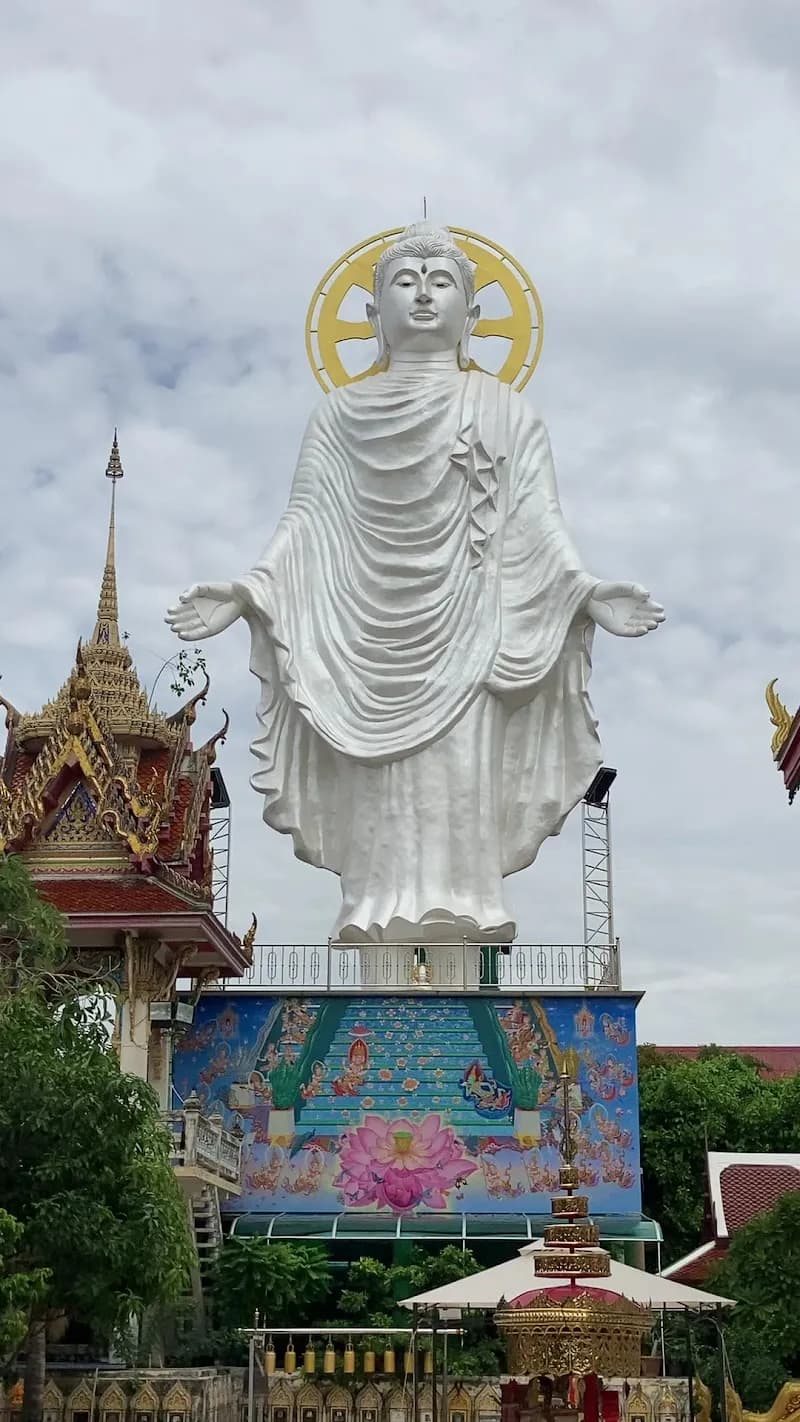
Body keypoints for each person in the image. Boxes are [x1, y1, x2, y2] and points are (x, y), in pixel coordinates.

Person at [167, 223, 663, 946]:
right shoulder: (337, 415)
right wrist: (249, 589)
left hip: (469, 629)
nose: (425, 294)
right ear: (371, 315)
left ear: (472, 313)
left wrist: (584, 591)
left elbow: (537, 523)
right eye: (406, 281)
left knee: (459, 782)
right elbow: (305, 520)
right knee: (383, 795)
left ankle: (467, 902)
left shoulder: (506, 412)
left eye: (442, 282)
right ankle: (375, 908)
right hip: (367, 642)